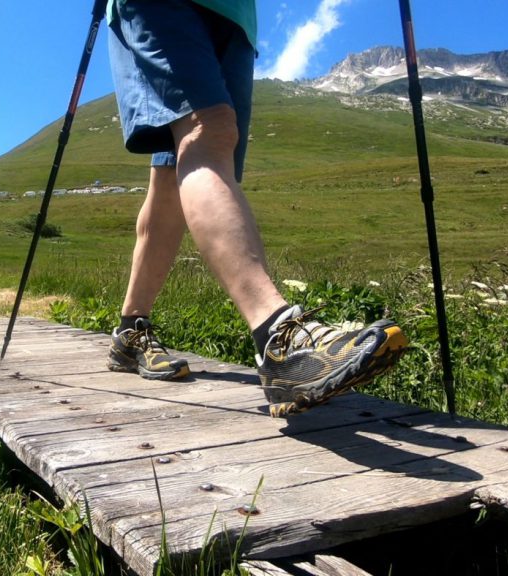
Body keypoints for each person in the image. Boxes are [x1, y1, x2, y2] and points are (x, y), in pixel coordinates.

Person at [103, 0, 408, 416]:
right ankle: (276, 335)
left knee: (174, 171)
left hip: (234, 15)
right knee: (206, 130)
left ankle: (130, 331)